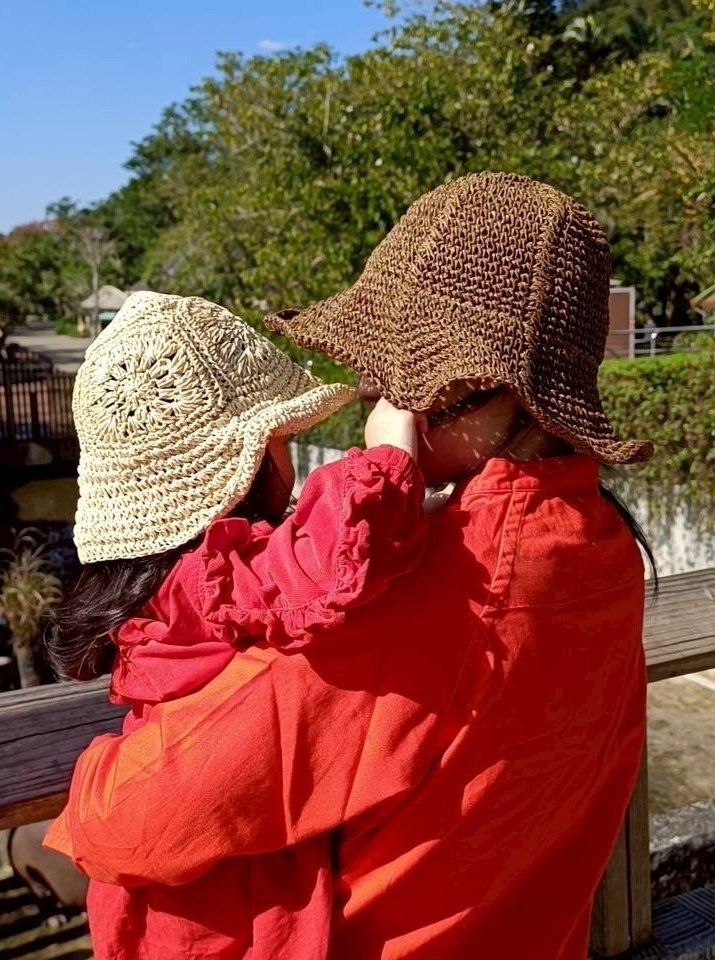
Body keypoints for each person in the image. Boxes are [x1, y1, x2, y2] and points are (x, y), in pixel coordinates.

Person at [47, 173, 653, 959]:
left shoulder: (434, 596)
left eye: (403, 371)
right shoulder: (602, 546)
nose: (376, 393)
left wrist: (90, 776)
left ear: (483, 389)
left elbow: (132, 822)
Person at [46, 290, 443, 959]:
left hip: (167, 899)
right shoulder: (215, 579)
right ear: (248, 461)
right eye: (283, 439)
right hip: (226, 903)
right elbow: (323, 559)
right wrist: (389, 460)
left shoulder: (160, 595)